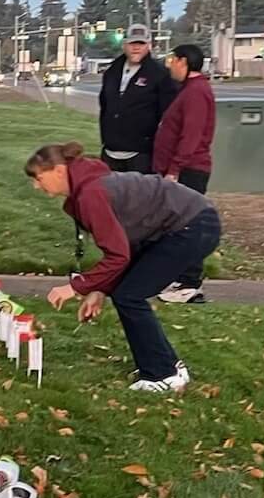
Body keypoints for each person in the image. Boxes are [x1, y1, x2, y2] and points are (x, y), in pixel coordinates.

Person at [25, 142, 221, 393]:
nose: (36, 186)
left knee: (130, 296)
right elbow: (123, 249)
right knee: (127, 293)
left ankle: (163, 374)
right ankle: (167, 367)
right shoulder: (88, 188)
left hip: (192, 226)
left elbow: (118, 255)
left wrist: (76, 287)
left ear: (60, 170)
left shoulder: (90, 194)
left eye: (39, 178)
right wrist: (100, 290)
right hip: (180, 226)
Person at [153, 43, 216, 304]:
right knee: (176, 226)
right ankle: (180, 279)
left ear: (183, 62)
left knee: (188, 225)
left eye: (172, 60)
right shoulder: (189, 90)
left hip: (189, 170)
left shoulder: (196, 92)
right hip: (180, 169)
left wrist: (174, 169)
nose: (169, 66)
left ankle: (190, 283)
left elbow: (190, 136)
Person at [97, 23, 178, 173]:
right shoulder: (112, 72)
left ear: (149, 45)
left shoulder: (159, 74)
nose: (136, 47)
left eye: (141, 43)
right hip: (110, 152)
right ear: (125, 45)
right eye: (132, 43)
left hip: (141, 154)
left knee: (138, 196)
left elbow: (168, 115)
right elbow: (104, 104)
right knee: (110, 195)